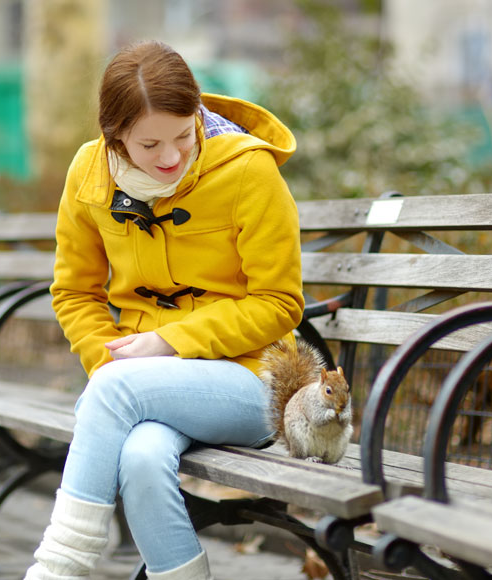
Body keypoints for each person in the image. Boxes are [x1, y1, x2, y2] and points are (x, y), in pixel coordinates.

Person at [24, 40, 304, 580]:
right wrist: (109, 355)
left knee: (111, 390)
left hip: (251, 381)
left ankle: (60, 566)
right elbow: (75, 292)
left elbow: (280, 302)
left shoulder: (249, 171)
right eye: (150, 143)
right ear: (116, 136)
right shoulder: (90, 174)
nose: (172, 157)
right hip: (142, 384)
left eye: (183, 134)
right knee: (142, 459)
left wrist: (169, 343)